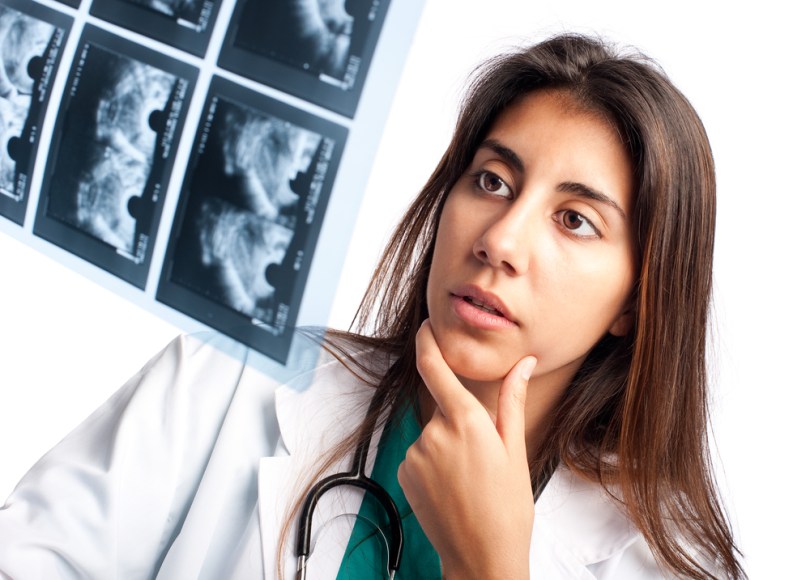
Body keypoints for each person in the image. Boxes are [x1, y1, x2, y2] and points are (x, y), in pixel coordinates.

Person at [0, 34, 745, 579]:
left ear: (636, 303)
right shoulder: (235, 379)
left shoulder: (666, 563)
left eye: (575, 219)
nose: (501, 240)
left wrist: (489, 569)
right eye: (492, 181)